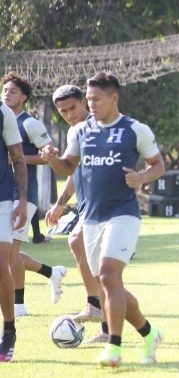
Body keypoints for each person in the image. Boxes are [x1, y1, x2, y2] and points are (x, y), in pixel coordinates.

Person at [42, 72, 165, 367]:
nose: (91, 104)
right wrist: (51, 159)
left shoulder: (135, 130)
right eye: (89, 98)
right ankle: (150, 335)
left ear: (114, 98)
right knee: (112, 286)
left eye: (96, 99)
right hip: (92, 218)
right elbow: (68, 167)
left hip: (123, 213)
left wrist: (141, 178)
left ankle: (114, 347)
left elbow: (158, 164)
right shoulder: (80, 133)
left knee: (109, 277)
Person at [45, 85, 107, 344]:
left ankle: (93, 303)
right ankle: (108, 330)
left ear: (84, 102)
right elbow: (73, 171)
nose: (69, 114)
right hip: (86, 204)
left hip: (105, 202)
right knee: (102, 271)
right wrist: (60, 203)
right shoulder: (74, 132)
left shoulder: (98, 128)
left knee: (76, 240)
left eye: (73, 108)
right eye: (63, 111)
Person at [1, 72, 66, 318]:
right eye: (4, 90)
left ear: (24, 97)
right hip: (4, 193)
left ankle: (18, 305)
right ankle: (52, 273)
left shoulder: (29, 123)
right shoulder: (2, 119)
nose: (7, 94)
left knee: (10, 253)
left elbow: (47, 155)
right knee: (6, 253)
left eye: (13, 91)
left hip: (23, 194)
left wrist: (18, 158)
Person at [0, 101, 28, 362]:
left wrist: (22, 200)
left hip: (2, 199)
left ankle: (9, 328)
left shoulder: (3, 111)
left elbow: (18, 158)